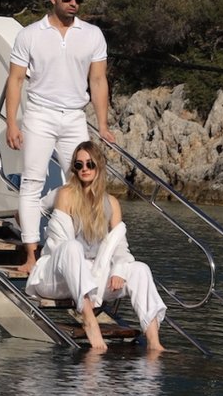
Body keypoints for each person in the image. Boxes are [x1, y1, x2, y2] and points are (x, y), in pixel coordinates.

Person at [1, 0, 109, 276]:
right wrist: (12, 122)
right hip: (39, 114)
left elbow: (98, 80)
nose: (73, 3)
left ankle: (75, 250)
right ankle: (31, 256)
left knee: (82, 183)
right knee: (32, 181)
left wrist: (102, 124)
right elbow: (16, 80)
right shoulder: (30, 35)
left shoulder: (92, 35)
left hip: (75, 116)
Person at [28, 141, 166, 356]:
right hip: (56, 278)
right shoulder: (66, 195)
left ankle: (154, 343)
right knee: (71, 247)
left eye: (90, 164)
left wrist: (119, 269)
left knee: (140, 269)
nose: (84, 169)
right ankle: (89, 321)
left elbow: (120, 246)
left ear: (99, 166)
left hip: (91, 278)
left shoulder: (111, 203)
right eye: (78, 164)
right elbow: (59, 244)